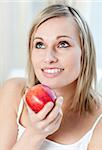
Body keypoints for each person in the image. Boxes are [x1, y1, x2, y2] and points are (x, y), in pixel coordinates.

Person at [0, 4, 102, 150]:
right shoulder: (13, 93)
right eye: (40, 45)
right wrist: (35, 134)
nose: (48, 58)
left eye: (62, 44)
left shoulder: (98, 124)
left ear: (84, 52)